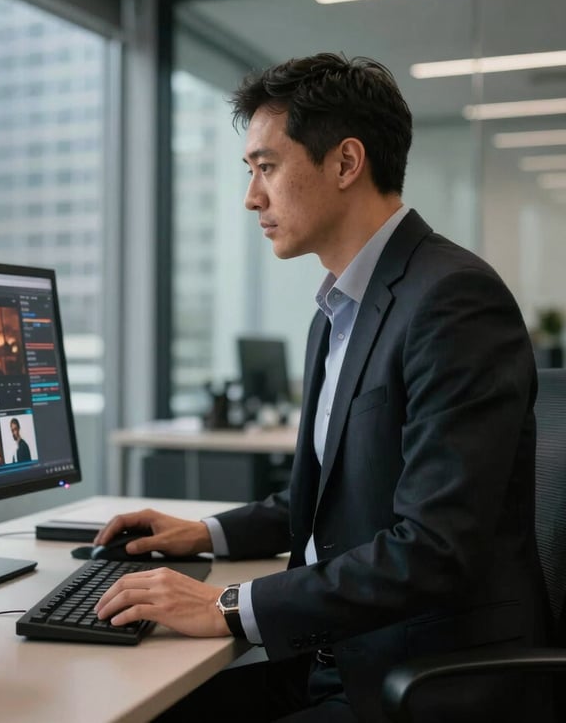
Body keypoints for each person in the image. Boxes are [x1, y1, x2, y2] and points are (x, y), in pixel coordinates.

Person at [93, 54, 551, 723]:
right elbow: (340, 498)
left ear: (344, 163)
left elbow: (433, 547)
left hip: (424, 678)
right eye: (249, 172)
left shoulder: (452, 300)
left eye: (266, 167)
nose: (252, 197)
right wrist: (204, 533)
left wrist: (227, 606)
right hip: (336, 651)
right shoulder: (338, 310)